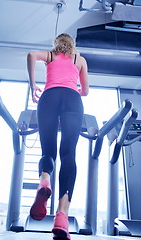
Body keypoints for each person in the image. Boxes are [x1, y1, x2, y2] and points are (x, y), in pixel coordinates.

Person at [27, 33, 89, 240]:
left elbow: (31, 54)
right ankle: (62, 217)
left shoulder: (51, 56)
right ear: (73, 45)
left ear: (57, 44)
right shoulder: (79, 60)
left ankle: (45, 181)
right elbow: (86, 91)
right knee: (69, 154)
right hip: (72, 99)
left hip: (49, 97)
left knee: (48, 151)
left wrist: (33, 85)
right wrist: (72, 88)